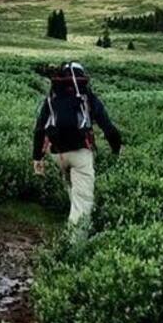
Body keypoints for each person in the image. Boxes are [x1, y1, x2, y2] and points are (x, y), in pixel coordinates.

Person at [32, 62, 123, 241]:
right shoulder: (87, 98)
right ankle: (73, 246)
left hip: (58, 154)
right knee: (83, 200)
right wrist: (116, 149)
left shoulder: (52, 98)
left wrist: (37, 157)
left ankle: (75, 226)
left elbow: (39, 129)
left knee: (74, 192)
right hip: (80, 153)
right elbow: (108, 127)